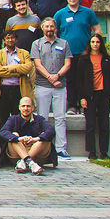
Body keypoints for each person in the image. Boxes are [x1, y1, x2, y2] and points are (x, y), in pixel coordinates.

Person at [53, 0, 101, 114]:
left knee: (86, 78)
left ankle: (84, 104)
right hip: (67, 53)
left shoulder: (88, 12)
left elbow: (97, 29)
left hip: (85, 52)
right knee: (70, 79)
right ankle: (72, 106)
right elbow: (55, 32)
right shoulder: (60, 14)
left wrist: (96, 45)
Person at [30, 17, 73, 158]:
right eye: (46, 26)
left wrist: (57, 76)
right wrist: (50, 78)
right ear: (43, 28)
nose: (49, 29)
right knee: (42, 118)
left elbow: (67, 64)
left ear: (55, 28)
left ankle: (61, 148)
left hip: (60, 86)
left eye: (51, 26)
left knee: (60, 117)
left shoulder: (64, 43)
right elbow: (37, 64)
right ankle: (43, 147)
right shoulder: (37, 44)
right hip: (43, 86)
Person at [0, 29, 36, 149]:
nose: (10, 40)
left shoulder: (24, 53)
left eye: (12, 38)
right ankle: (5, 151)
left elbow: (27, 68)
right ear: (4, 40)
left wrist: (10, 68)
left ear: (16, 39)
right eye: (7, 38)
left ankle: (21, 150)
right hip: (3, 91)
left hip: (19, 90)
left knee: (20, 121)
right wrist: (17, 70)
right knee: (3, 123)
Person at [75, 33, 110, 160]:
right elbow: (79, 81)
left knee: (104, 125)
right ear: (89, 44)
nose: (95, 44)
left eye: (97, 42)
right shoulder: (83, 59)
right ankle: (91, 152)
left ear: (101, 44)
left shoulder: (107, 59)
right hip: (89, 96)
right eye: (93, 42)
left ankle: (104, 152)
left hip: (104, 94)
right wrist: (82, 97)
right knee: (91, 125)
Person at [0, 96, 55, 174]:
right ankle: (31, 163)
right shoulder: (13, 119)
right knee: (14, 136)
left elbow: (51, 131)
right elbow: (3, 132)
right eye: (23, 106)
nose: (25, 108)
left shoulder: (40, 119)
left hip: (37, 153)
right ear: (19, 107)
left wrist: (36, 139)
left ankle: (24, 162)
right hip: (18, 152)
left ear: (33, 108)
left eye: (28, 106)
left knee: (44, 138)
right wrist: (19, 139)